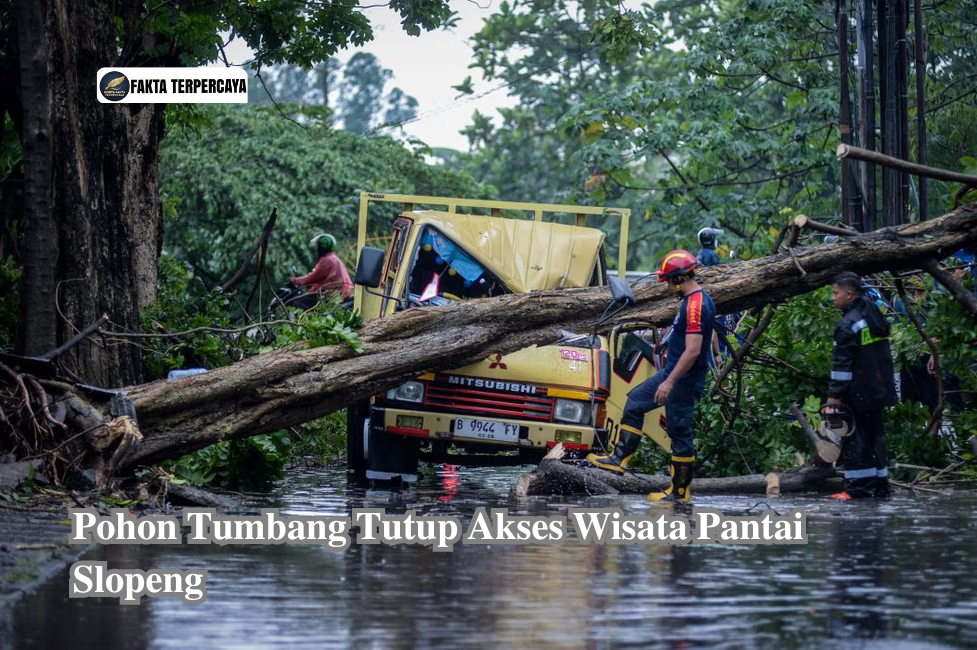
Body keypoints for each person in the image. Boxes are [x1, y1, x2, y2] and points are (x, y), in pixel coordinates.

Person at [587, 249, 715, 503]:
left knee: (679, 430)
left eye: (668, 281)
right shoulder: (696, 301)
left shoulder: (695, 305)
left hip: (682, 378)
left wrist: (669, 381)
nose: (667, 286)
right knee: (635, 400)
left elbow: (692, 350)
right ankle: (618, 459)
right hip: (675, 373)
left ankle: (680, 493)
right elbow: (707, 335)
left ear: (679, 278)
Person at [827, 272, 896, 499]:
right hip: (879, 388)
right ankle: (880, 485)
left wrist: (834, 398)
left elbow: (842, 366)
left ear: (849, 293)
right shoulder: (872, 314)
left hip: (858, 392)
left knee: (856, 439)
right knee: (876, 436)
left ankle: (857, 489)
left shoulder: (848, 324)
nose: (833, 298)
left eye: (835, 293)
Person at [289, 233, 353, 309]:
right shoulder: (333, 258)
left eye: (318, 247)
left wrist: (294, 281)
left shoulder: (327, 260)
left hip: (334, 295)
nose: (317, 250)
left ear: (322, 247)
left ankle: (297, 320)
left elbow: (312, 277)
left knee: (297, 301)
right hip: (342, 293)